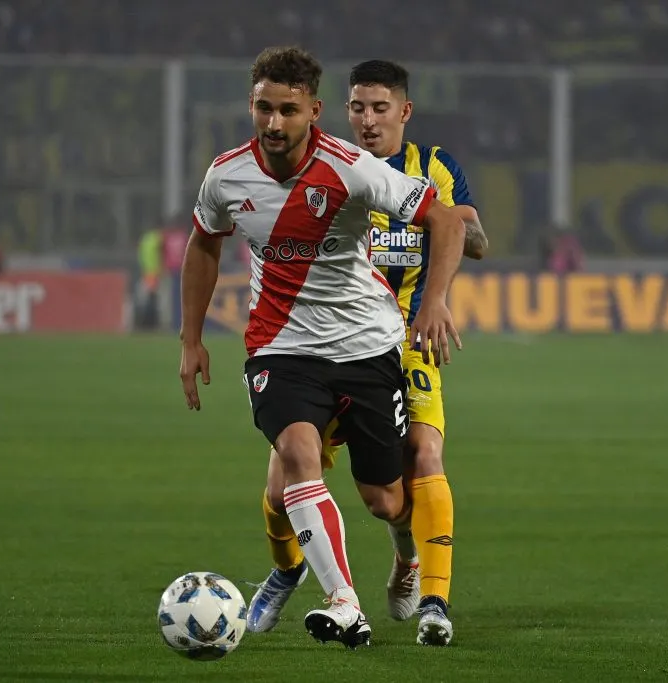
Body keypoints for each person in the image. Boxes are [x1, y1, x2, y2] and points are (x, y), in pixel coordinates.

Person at [179, 46, 466, 649]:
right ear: (251, 107)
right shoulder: (227, 174)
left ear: (313, 110)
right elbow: (204, 245)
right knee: (294, 457)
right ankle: (342, 602)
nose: (274, 123)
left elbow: (445, 221)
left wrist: (435, 300)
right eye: (263, 108)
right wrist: (192, 339)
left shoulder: (353, 167)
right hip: (280, 349)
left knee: (386, 501)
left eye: (287, 110)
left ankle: (407, 562)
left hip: (367, 347)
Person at [246, 60, 487, 647]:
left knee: (420, 460)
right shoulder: (327, 165)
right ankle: (286, 570)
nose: (368, 119)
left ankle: (430, 594)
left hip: (405, 340)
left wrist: (448, 252)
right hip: (319, 347)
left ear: (404, 112)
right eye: (358, 107)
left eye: (381, 108)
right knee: (281, 488)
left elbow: (470, 236)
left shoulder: (433, 169)